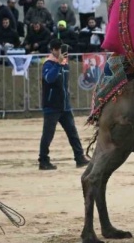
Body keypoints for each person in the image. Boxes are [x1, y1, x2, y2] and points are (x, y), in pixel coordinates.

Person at [38, 39, 91, 170]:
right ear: (54, 50)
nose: (64, 54)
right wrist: (58, 65)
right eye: (61, 50)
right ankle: (43, 160)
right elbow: (49, 79)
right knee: (48, 135)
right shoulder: (48, 64)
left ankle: (79, 157)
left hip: (65, 106)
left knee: (73, 132)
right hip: (51, 106)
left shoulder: (65, 65)